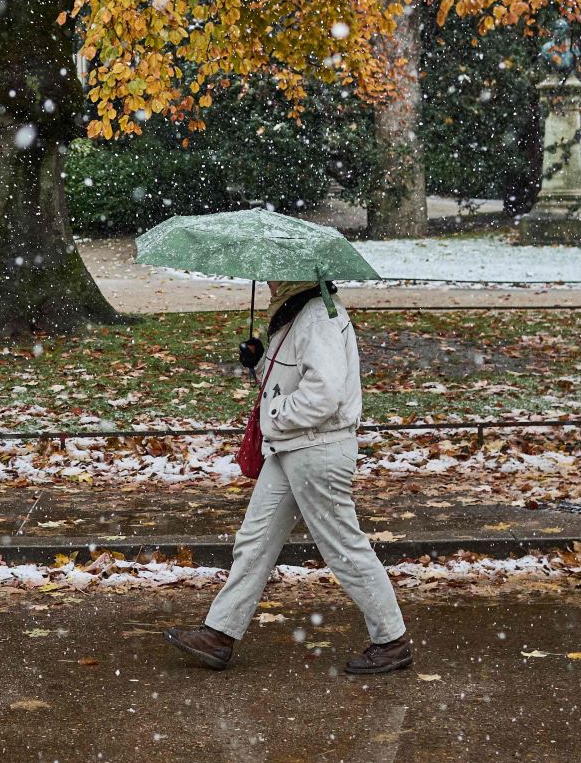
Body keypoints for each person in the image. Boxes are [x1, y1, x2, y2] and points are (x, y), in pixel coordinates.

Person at [165, 277, 411, 675]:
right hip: (292, 448)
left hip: (318, 450)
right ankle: (219, 635)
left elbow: (325, 392)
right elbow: (292, 379)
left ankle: (392, 641)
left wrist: (274, 413)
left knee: (343, 548)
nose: (269, 280)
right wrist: (259, 361)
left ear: (298, 273)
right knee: (255, 541)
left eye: (277, 273)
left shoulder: (318, 315)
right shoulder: (298, 313)